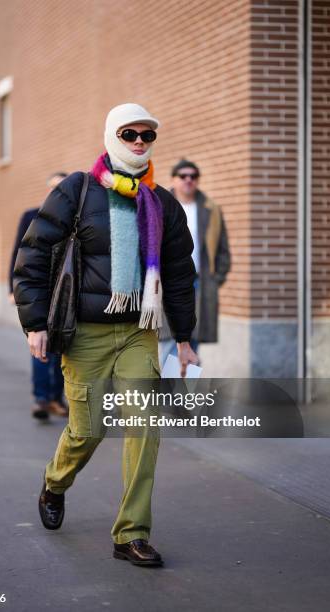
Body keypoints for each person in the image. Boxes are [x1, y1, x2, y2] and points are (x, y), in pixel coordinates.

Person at [13, 103, 198, 567]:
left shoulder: (162, 202)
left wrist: (185, 336)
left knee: (144, 427)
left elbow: (178, 273)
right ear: (112, 136)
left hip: (139, 330)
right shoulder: (77, 190)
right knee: (87, 430)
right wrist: (35, 323)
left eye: (147, 135)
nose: (139, 141)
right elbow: (33, 255)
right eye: (129, 133)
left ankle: (131, 533)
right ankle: (55, 482)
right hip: (86, 333)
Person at [158, 159, 231, 368]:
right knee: (171, 341)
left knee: (194, 343)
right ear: (173, 179)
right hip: (168, 283)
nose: (188, 180)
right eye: (183, 175)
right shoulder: (160, 203)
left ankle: (184, 397)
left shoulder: (211, 209)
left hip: (199, 284)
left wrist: (215, 280)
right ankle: (168, 397)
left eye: (193, 176)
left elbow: (223, 250)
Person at [9, 171, 68, 420]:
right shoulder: (32, 216)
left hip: (64, 294)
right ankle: (41, 399)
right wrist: (12, 288)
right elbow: (18, 254)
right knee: (40, 345)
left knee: (60, 349)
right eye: (54, 188)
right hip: (38, 291)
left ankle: (56, 398)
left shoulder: (73, 218)